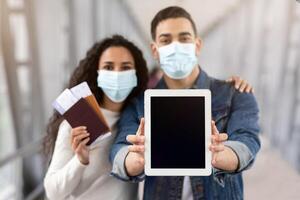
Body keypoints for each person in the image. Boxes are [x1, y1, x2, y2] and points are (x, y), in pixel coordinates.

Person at [109, 6, 260, 200]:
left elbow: (247, 141)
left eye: (184, 38)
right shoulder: (139, 105)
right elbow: (119, 149)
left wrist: (222, 155)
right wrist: (135, 159)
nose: (176, 46)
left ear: (197, 45)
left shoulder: (235, 94)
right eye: (166, 40)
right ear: (155, 50)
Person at [43, 35, 148, 200]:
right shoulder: (78, 121)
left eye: (126, 67)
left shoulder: (140, 121)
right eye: (108, 67)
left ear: (136, 75)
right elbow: (53, 192)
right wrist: (80, 160)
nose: (117, 74)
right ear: (97, 74)